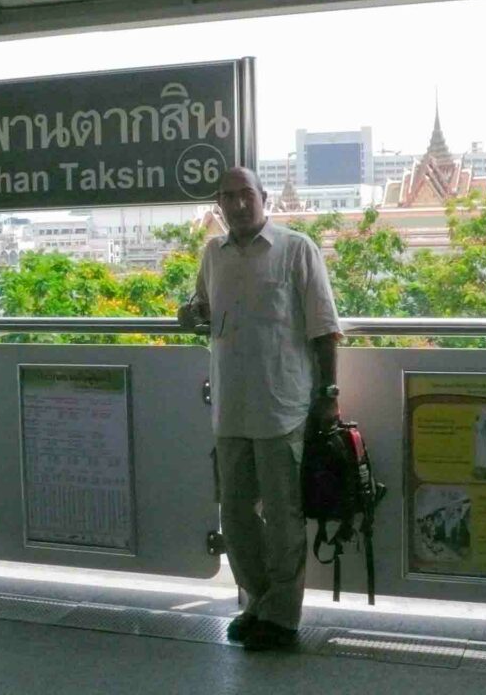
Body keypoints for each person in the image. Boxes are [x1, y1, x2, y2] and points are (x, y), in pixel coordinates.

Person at [179, 167, 341, 652]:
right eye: (227, 197)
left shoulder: (296, 249)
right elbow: (202, 307)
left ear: (263, 197)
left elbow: (324, 328)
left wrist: (329, 396)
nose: (238, 204)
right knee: (236, 515)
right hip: (230, 408)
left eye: (245, 194)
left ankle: (282, 617)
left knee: (284, 515)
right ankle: (257, 603)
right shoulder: (213, 254)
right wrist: (191, 312)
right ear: (219, 205)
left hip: (283, 407)